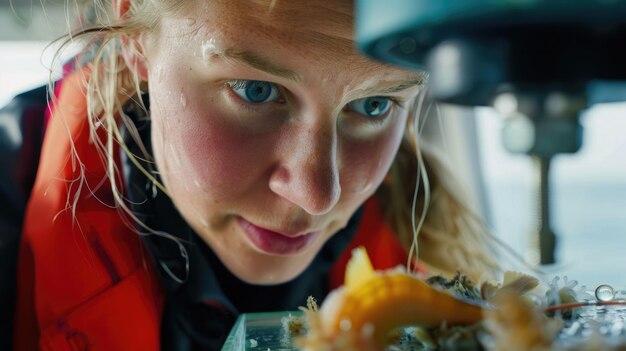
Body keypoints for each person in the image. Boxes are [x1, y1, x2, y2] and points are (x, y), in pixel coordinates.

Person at [3, 0, 498, 349]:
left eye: (373, 104)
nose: (316, 195)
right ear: (135, 33)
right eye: (254, 91)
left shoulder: (439, 268)